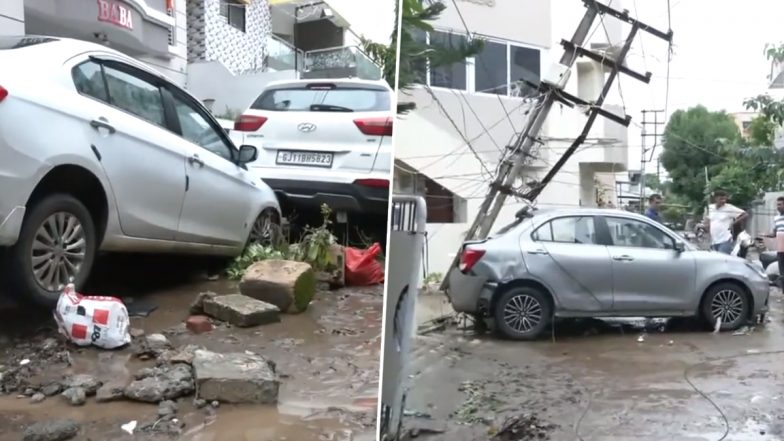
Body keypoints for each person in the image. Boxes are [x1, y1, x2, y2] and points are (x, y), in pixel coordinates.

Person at [704, 190, 747, 254]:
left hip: (725, 240)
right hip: (714, 240)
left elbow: (745, 214)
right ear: (715, 198)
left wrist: (733, 223)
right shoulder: (711, 208)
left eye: (724, 199)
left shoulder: (729, 208)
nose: (723, 201)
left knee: (722, 260)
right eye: (721, 199)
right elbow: (709, 220)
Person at [764, 196, 784, 287]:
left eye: (780, 205)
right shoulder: (776, 218)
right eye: (777, 205)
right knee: (782, 271)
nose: (778, 207)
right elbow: (775, 233)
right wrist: (765, 235)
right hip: (781, 248)